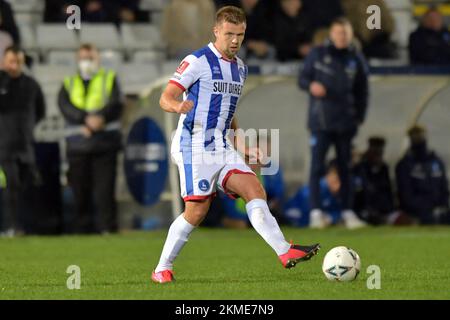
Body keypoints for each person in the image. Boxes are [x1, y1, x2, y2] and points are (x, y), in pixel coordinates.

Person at [152, 6, 320, 284]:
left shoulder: (240, 68)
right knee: (196, 211)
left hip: (222, 146)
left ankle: (284, 250)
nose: (234, 40)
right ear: (216, 31)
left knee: (254, 188)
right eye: (229, 33)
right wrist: (178, 105)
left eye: (240, 35)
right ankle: (162, 268)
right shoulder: (197, 61)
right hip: (193, 146)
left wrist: (242, 146)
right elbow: (165, 97)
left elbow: (229, 115)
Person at [298, 17, 369, 229]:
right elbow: (302, 78)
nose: (341, 37)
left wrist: (359, 117)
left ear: (351, 35)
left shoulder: (356, 59)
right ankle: (316, 213)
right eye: (338, 33)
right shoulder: (317, 54)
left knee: (346, 168)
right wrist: (311, 85)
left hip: (346, 123)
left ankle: (348, 212)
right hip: (321, 122)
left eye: (345, 33)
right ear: (331, 34)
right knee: (317, 166)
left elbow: (362, 91)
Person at [58, 44, 124, 234]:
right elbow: (64, 105)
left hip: (105, 143)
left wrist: (100, 118)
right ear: (77, 60)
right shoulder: (69, 81)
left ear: (98, 59)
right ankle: (82, 230)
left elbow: (115, 104)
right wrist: (85, 120)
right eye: (83, 58)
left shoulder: (108, 78)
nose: (86, 62)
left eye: (90, 58)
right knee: (80, 191)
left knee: (105, 191)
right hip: (78, 146)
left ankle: (107, 228)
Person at [0, 46, 45, 236]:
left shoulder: (32, 85)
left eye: (18, 61)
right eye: (11, 61)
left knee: (25, 187)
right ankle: (9, 227)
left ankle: (22, 227)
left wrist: (27, 128)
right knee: (10, 186)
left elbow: (40, 111)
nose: (14, 65)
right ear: (4, 61)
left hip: (25, 146)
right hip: (3, 146)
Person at [395, 125, 450, 225]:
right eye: (415, 137)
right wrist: (427, 208)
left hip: (439, 210)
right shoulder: (405, 165)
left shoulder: (436, 162)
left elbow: (444, 188)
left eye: (420, 136)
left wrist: (443, 206)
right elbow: (406, 196)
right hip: (417, 213)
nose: (419, 139)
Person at [284, 161, 342, 227]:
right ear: (328, 176)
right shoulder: (318, 187)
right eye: (336, 180)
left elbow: (337, 210)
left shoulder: (335, 193)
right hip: (296, 210)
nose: (338, 186)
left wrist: (330, 218)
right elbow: (305, 205)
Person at [352, 137, 396, 225]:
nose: (378, 155)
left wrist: (390, 210)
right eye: (375, 152)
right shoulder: (361, 168)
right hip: (364, 209)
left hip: (383, 209)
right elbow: (361, 191)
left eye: (380, 152)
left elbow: (388, 191)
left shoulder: (384, 168)